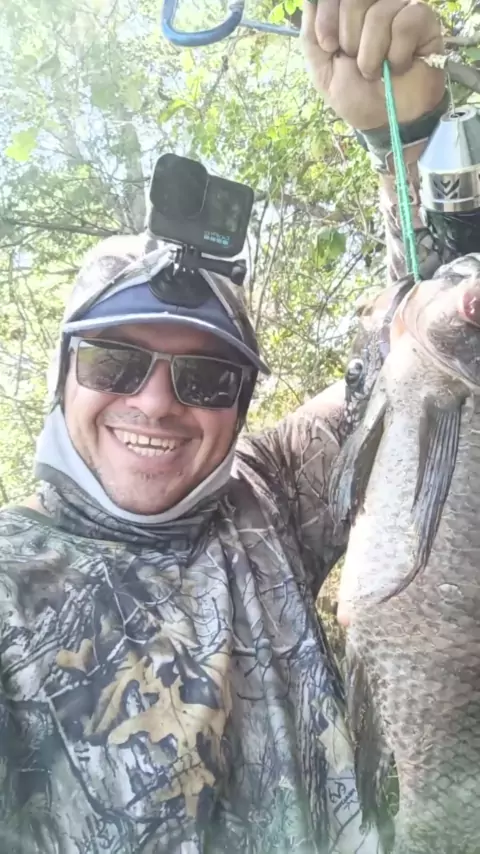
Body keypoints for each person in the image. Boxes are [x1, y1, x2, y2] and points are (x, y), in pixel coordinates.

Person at [0, 1, 447, 852]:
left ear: (241, 402)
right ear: (62, 377)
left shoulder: (264, 498)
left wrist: (409, 139)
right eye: (113, 361)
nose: (156, 402)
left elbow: (434, 366)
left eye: (206, 377)